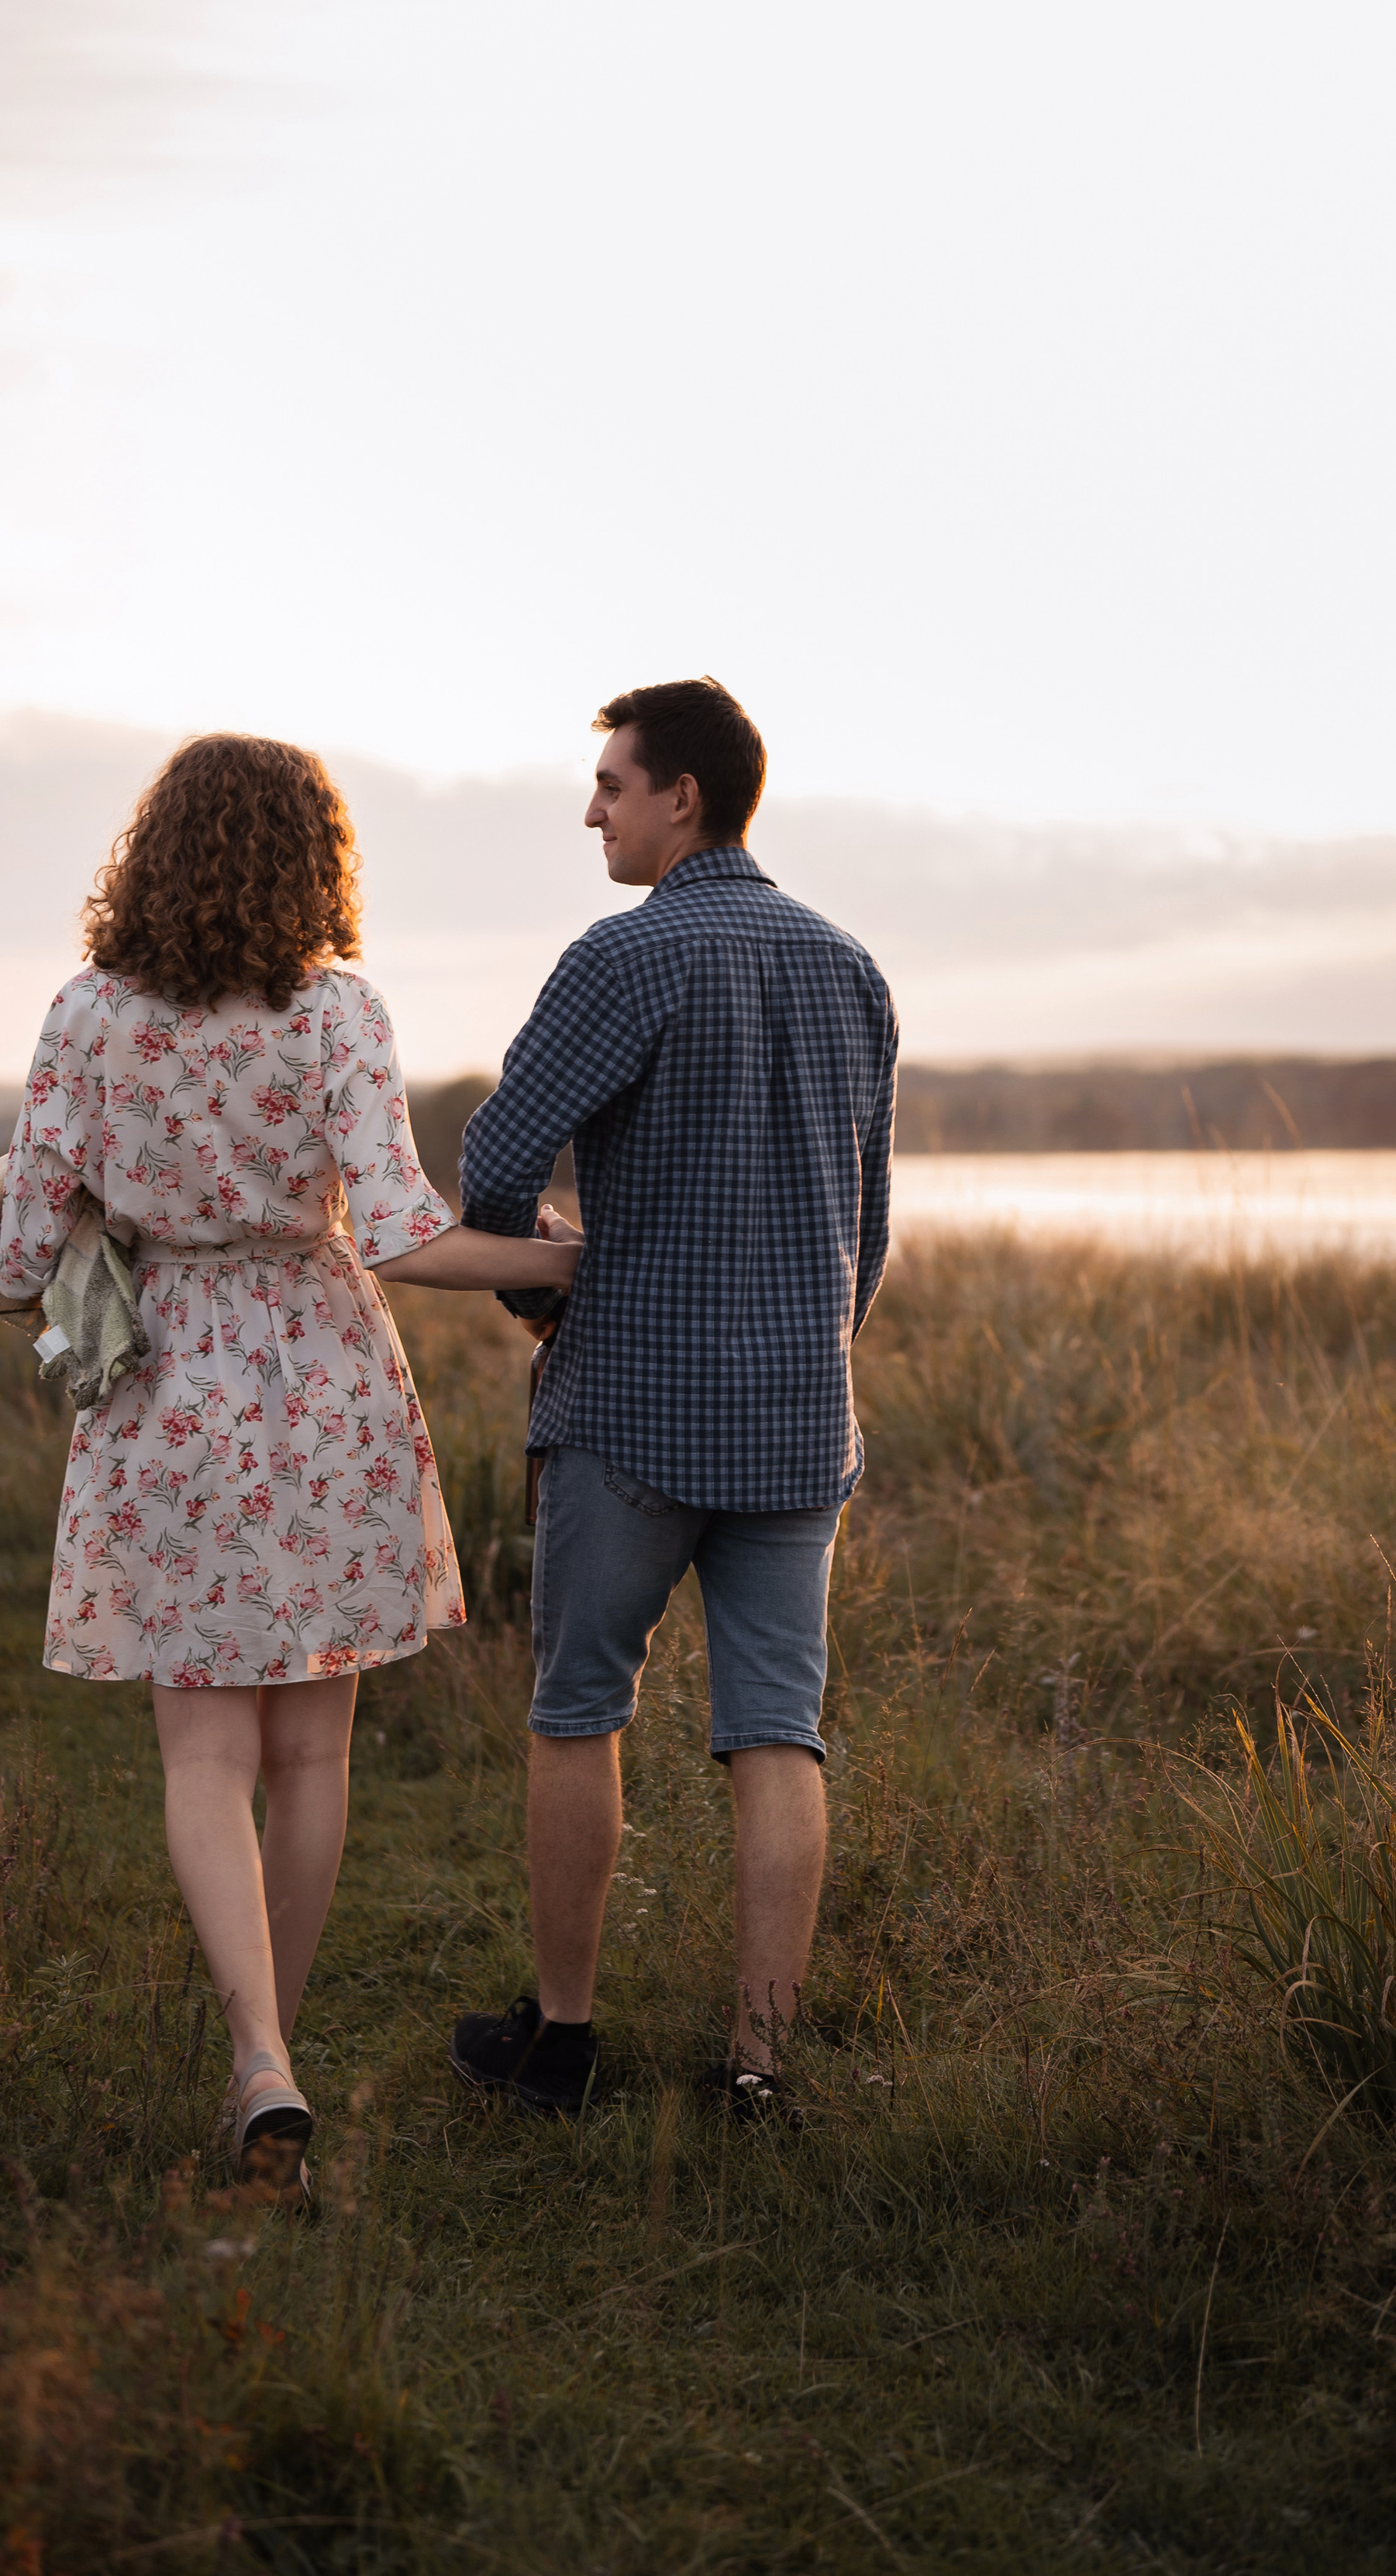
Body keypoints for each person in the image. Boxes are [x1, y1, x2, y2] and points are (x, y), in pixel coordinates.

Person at [0, 734, 579, 2201]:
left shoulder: (89, 1014)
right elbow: (397, 1229)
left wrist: (89, 1248)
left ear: (157, 850)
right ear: (316, 859)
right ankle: (276, 2052)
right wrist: (561, 1256)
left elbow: (18, 1262)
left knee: (203, 1755)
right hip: (322, 1375)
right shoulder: (338, 1013)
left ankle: (262, 2061)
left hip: (166, 1391)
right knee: (312, 1752)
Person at [448, 677, 898, 2120]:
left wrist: (542, 1287)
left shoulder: (625, 958)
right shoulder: (853, 968)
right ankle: (757, 2072)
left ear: (680, 797)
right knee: (779, 1729)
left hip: (632, 1410)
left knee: (581, 1708)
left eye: (612, 785)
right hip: (793, 1423)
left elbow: (499, 1160)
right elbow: (865, 1229)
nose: (593, 809)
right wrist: (805, 1349)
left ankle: (563, 2046)